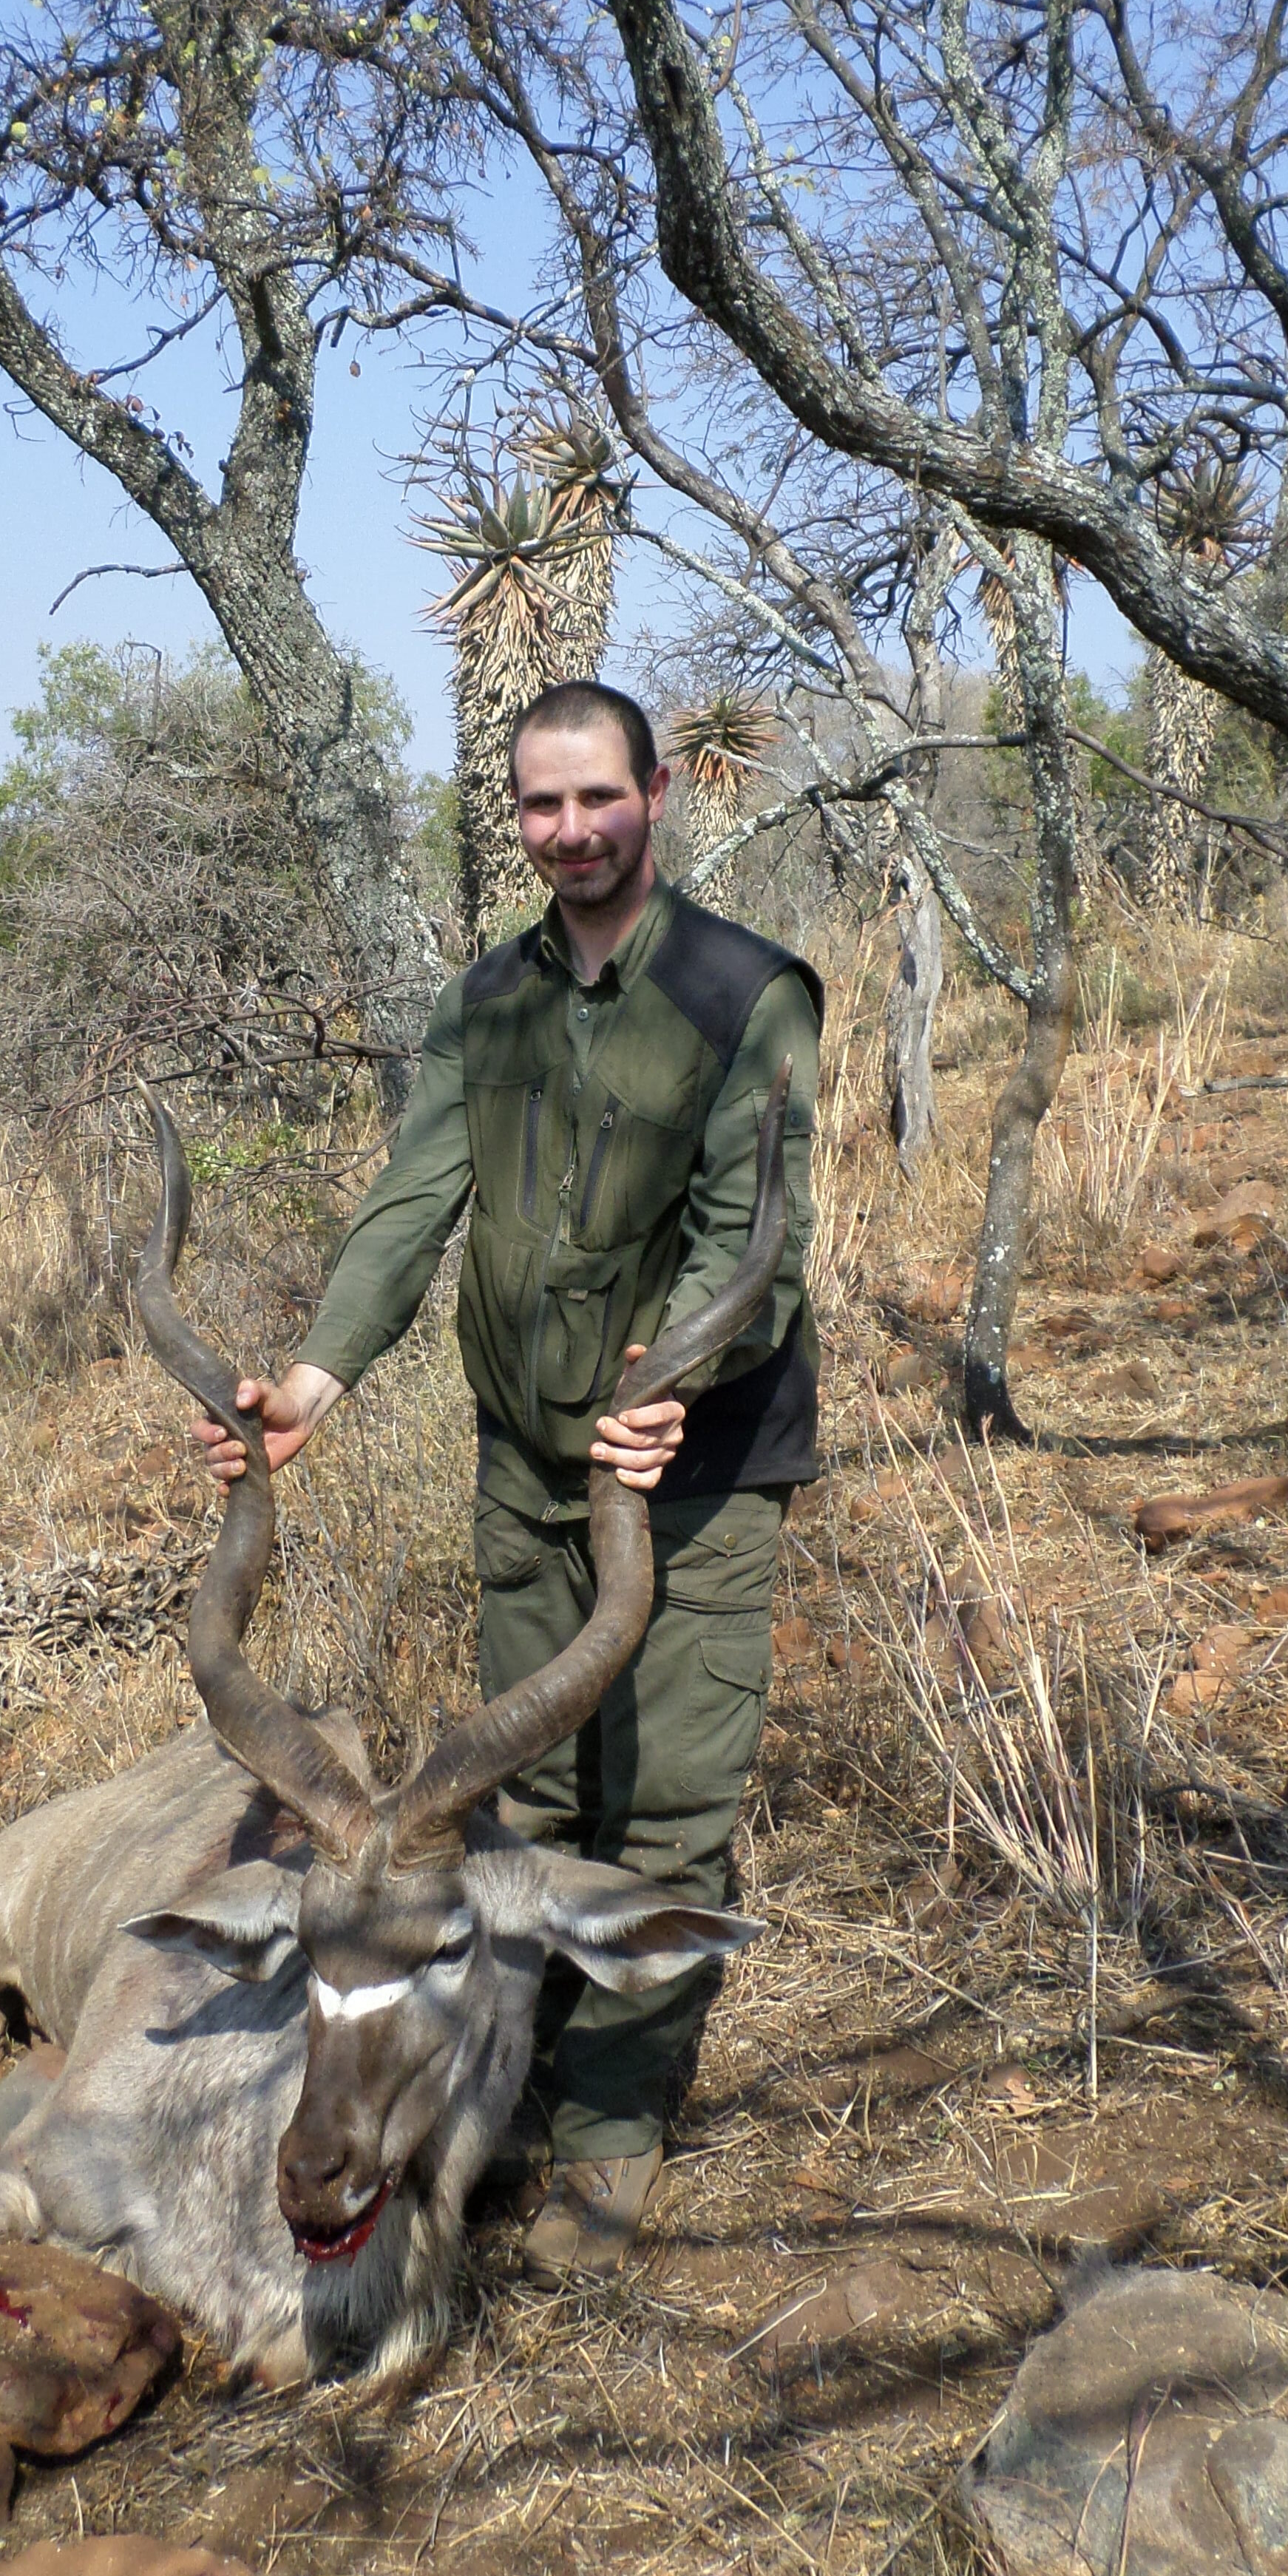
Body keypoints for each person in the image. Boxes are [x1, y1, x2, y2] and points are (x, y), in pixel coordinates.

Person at [197, 679, 821, 2279]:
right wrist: (313, 1385)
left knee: (667, 1811)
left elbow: (760, 1253)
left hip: (689, 1462)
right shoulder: (490, 999)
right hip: (527, 1459)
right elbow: (417, 1200)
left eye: (597, 800)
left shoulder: (748, 993)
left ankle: (612, 2136)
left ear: (657, 793)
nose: (570, 833)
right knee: (521, 1799)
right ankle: (516, 2078)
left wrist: (673, 1391)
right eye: (541, 808)